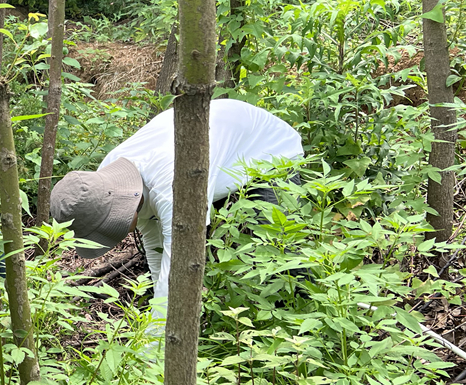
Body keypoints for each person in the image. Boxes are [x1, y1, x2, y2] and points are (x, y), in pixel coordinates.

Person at [50, 99, 303, 314]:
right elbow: (155, 242)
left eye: (108, 230)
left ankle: (298, 318)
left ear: (120, 209)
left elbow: (179, 266)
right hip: (214, 157)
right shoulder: (106, 177)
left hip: (268, 151)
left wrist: (154, 342)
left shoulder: (173, 185)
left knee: (278, 254)